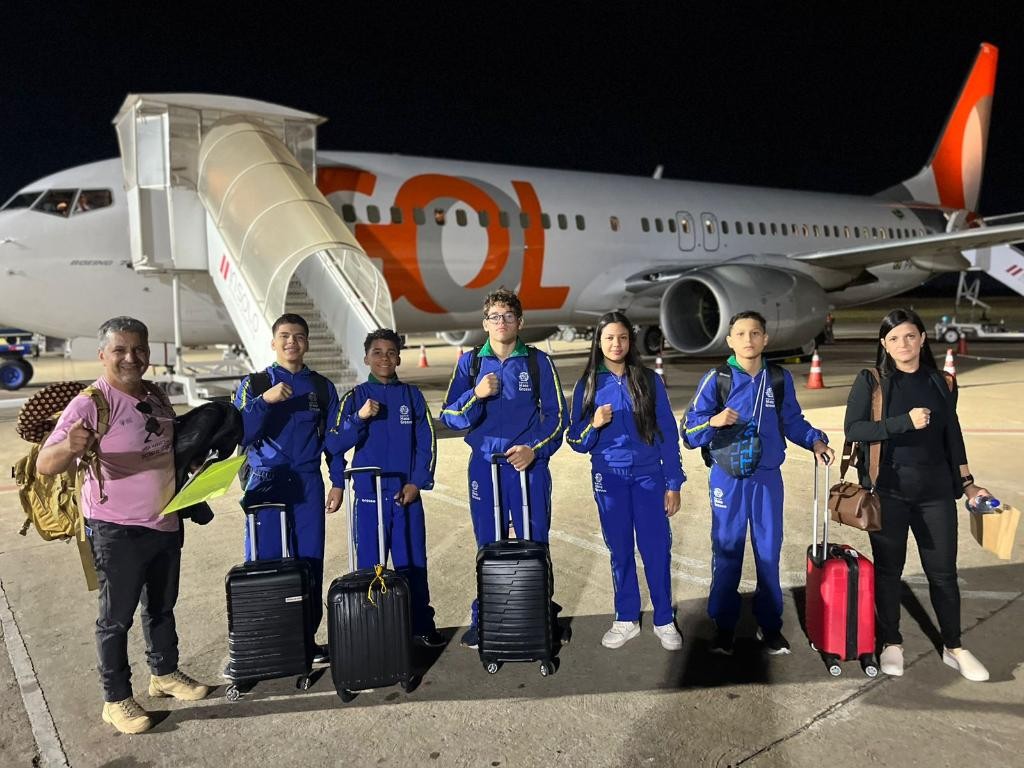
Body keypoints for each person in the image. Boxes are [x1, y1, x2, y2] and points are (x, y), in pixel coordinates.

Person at [36, 317, 210, 734]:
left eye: (139, 349)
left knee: (161, 607)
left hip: (165, 520)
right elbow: (45, 463)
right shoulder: (91, 404)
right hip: (116, 529)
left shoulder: (156, 395)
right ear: (103, 355)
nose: (131, 357)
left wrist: (194, 463)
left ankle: (164, 674)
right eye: (120, 350)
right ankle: (115, 700)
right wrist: (68, 446)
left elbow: (168, 448)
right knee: (116, 619)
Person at [844, 308, 990, 681]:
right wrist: (903, 423)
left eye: (910, 336)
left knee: (944, 574)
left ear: (923, 339)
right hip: (889, 491)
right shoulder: (872, 380)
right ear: (884, 344)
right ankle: (891, 641)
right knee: (889, 571)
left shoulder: (942, 382)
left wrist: (968, 482)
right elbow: (855, 428)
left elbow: (952, 435)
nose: (903, 344)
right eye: (894, 338)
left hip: (936, 494)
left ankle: (954, 646)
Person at [682, 310, 834, 656]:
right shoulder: (717, 379)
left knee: (768, 551)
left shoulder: (778, 378)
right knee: (727, 551)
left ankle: (770, 625)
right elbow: (689, 432)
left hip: (767, 478)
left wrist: (815, 441)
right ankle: (724, 626)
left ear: (765, 339)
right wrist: (714, 421)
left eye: (755, 333)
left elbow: (793, 421)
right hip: (728, 478)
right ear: (729, 341)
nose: (748, 340)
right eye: (740, 334)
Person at [440, 287, 567, 648]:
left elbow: (558, 417)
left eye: (509, 316)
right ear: (485, 323)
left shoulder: (537, 362)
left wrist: (533, 450)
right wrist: (476, 394)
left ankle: (541, 618)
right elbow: (449, 416)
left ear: (520, 322)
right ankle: (486, 618)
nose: (501, 322)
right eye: (495, 317)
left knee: (535, 543)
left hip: (528, 466)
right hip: (485, 467)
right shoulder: (470, 364)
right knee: (488, 544)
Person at [566, 312, 685, 650]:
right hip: (609, 479)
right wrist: (594, 424)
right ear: (598, 342)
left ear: (630, 342)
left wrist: (673, 483)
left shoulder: (648, 380)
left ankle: (664, 618)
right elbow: (575, 440)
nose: (616, 344)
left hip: (649, 477)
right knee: (619, 549)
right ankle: (626, 617)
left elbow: (667, 434)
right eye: (609, 338)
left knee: (656, 548)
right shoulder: (588, 384)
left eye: (622, 338)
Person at [233, 313, 344, 664]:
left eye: (298, 336)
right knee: (265, 562)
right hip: (267, 482)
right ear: (273, 342)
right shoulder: (254, 384)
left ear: (307, 343)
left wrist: (338, 481)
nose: (291, 342)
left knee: (309, 561)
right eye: (284, 335)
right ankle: (266, 644)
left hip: (308, 483)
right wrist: (264, 401)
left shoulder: (322, 388)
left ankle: (305, 641)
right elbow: (239, 432)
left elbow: (333, 441)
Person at [327, 328, 445, 647]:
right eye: (377, 352)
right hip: (369, 498)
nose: (384, 358)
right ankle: (372, 630)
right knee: (371, 567)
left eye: (391, 352)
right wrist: (359, 418)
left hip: (405, 496)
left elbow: (426, 443)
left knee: (413, 565)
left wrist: (417, 482)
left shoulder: (412, 396)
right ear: (366, 358)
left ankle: (420, 625)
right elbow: (333, 444)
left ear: (399, 359)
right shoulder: (355, 398)